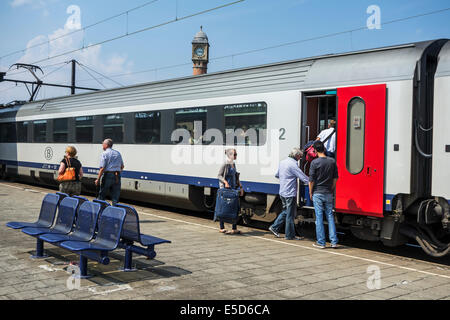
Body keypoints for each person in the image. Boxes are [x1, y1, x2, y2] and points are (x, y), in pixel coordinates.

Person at [269, 147, 309, 240]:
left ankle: (274, 227)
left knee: (286, 211)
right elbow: (303, 178)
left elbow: (277, 175)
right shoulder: (293, 165)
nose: (300, 158)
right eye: (300, 157)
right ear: (297, 155)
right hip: (290, 192)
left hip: (282, 191)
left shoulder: (283, 162)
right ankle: (289, 235)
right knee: (290, 214)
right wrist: (312, 182)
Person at [309, 140, 339, 249]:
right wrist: (332, 188)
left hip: (317, 192)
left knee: (319, 217)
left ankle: (321, 242)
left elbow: (311, 180)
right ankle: (334, 242)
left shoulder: (314, 163)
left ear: (315, 150)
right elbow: (335, 177)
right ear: (324, 149)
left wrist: (310, 192)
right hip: (328, 193)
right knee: (330, 216)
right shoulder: (332, 161)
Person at [217, 148, 244, 235]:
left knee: (234, 207)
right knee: (224, 207)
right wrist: (225, 182)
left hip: (233, 188)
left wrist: (241, 187)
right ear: (230, 155)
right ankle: (221, 227)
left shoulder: (233, 164)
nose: (236, 156)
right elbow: (219, 175)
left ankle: (234, 228)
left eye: (236, 154)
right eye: (235, 154)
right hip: (225, 189)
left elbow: (236, 176)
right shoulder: (225, 163)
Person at [95, 138, 124, 206]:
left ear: (106, 145)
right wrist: (117, 172)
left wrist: (98, 179)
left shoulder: (105, 153)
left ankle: (100, 210)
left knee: (102, 195)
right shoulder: (117, 153)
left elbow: (102, 168)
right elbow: (122, 166)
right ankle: (115, 210)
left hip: (108, 175)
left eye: (103, 144)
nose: (102, 146)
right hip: (117, 175)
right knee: (115, 197)